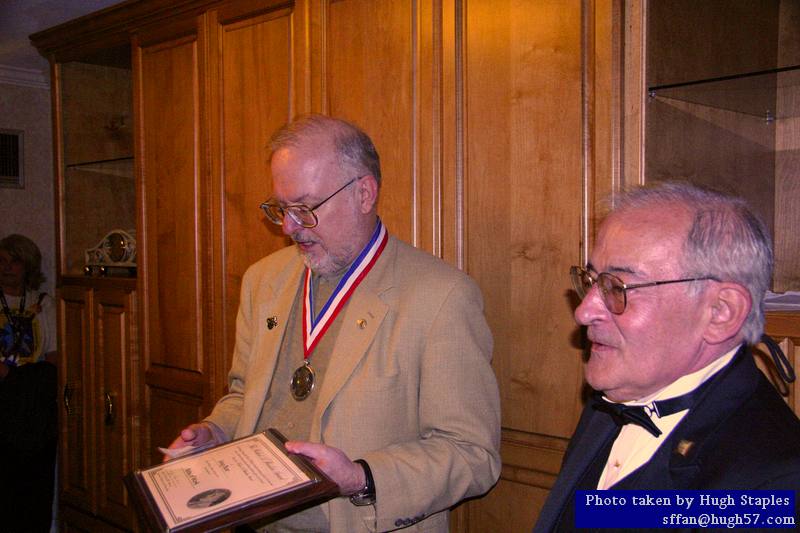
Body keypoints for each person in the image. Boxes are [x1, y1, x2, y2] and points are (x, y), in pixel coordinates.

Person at [167, 114, 501, 532]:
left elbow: (472, 454)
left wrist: (361, 477)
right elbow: (243, 393)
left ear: (363, 193)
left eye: (305, 208)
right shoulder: (263, 280)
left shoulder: (442, 297)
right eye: (281, 209)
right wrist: (215, 431)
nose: (289, 228)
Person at [534, 182, 800, 533]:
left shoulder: (774, 481)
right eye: (591, 280)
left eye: (617, 287)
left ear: (720, 312)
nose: (584, 311)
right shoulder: (613, 401)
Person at [0, 234, 58, 533]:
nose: (7, 267)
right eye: (2, 261)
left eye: (15, 261)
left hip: (33, 403)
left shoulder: (43, 304)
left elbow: (54, 356)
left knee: (34, 484)